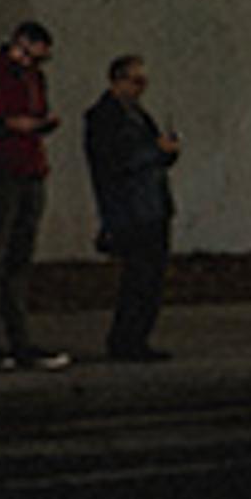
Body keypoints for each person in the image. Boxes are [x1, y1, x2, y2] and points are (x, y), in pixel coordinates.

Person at [0, 19, 67, 371]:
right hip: (0, 169)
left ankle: (18, 338)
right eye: (36, 54)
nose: (39, 63)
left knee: (18, 257)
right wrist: (9, 126)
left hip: (29, 168)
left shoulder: (33, 78)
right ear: (21, 45)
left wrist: (35, 126)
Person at [84, 52, 181, 362]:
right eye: (136, 80)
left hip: (151, 204)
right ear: (118, 81)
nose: (142, 88)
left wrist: (166, 151)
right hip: (130, 208)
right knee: (137, 278)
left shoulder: (137, 112)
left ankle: (137, 338)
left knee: (151, 279)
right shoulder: (104, 117)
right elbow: (117, 161)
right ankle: (126, 340)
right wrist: (155, 150)